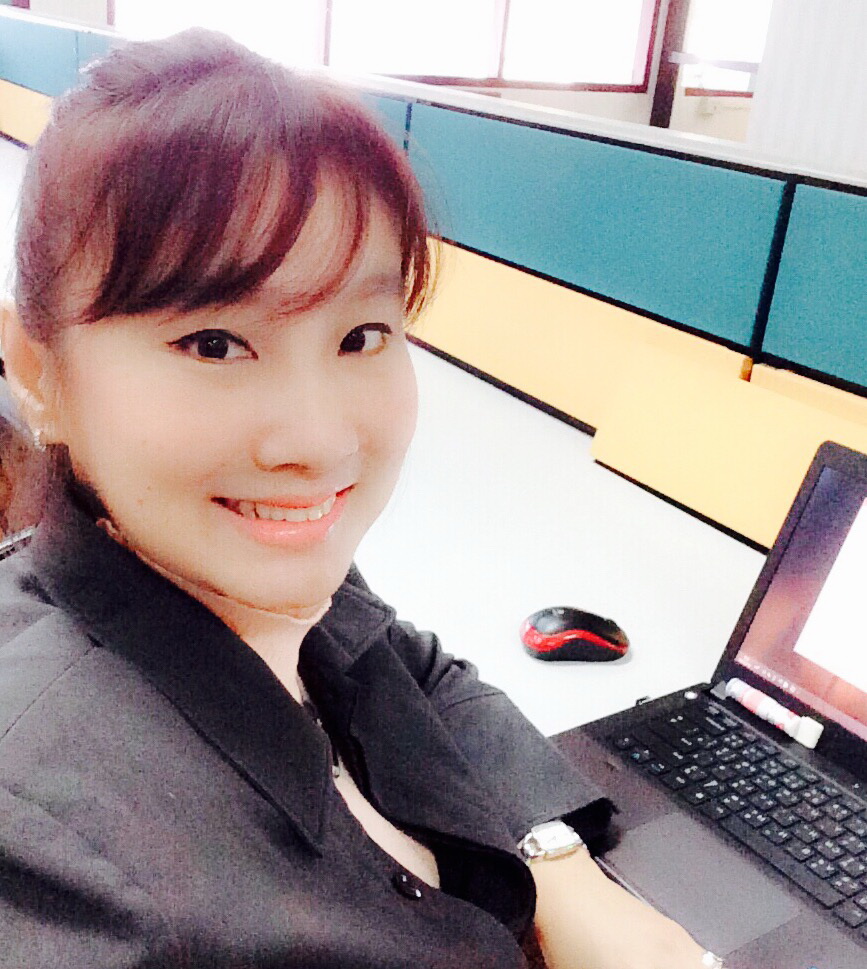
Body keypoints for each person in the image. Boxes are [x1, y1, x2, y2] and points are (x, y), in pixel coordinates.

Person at [0, 29, 718, 969]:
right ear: (40, 372)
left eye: (361, 334)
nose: (320, 443)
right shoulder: (52, 859)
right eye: (214, 343)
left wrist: (560, 871)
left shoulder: (243, 564)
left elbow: (412, 670)